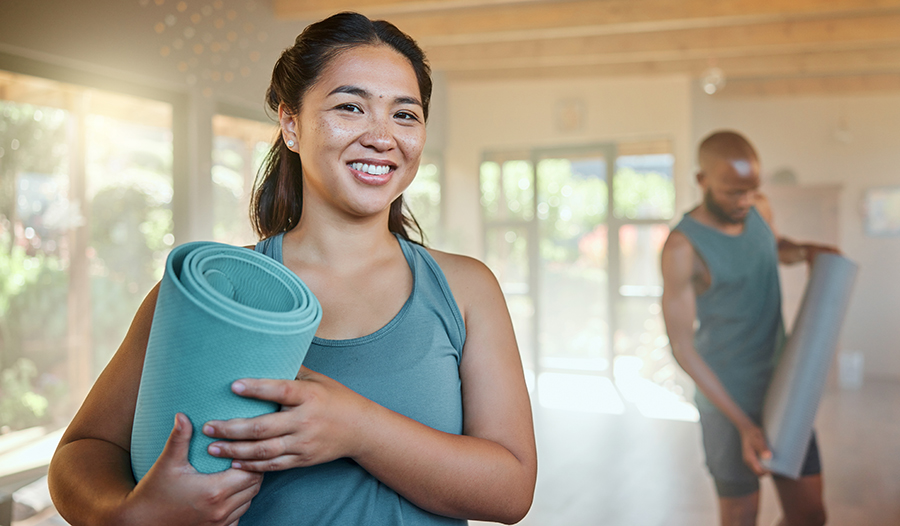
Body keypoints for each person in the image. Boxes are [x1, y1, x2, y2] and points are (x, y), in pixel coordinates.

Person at [47, 12, 537, 526]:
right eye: (350, 107)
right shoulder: (212, 292)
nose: (382, 136)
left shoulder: (465, 289)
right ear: (291, 124)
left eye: (405, 115)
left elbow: (510, 491)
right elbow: (81, 450)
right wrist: (130, 514)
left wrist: (359, 429)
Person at [660, 131, 836, 526]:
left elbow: (773, 248)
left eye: (751, 190)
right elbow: (683, 348)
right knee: (741, 518)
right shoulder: (681, 248)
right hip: (726, 402)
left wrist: (806, 251)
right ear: (702, 181)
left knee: (810, 514)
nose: (744, 201)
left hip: (782, 387)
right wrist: (743, 424)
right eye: (732, 192)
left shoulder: (759, 209)